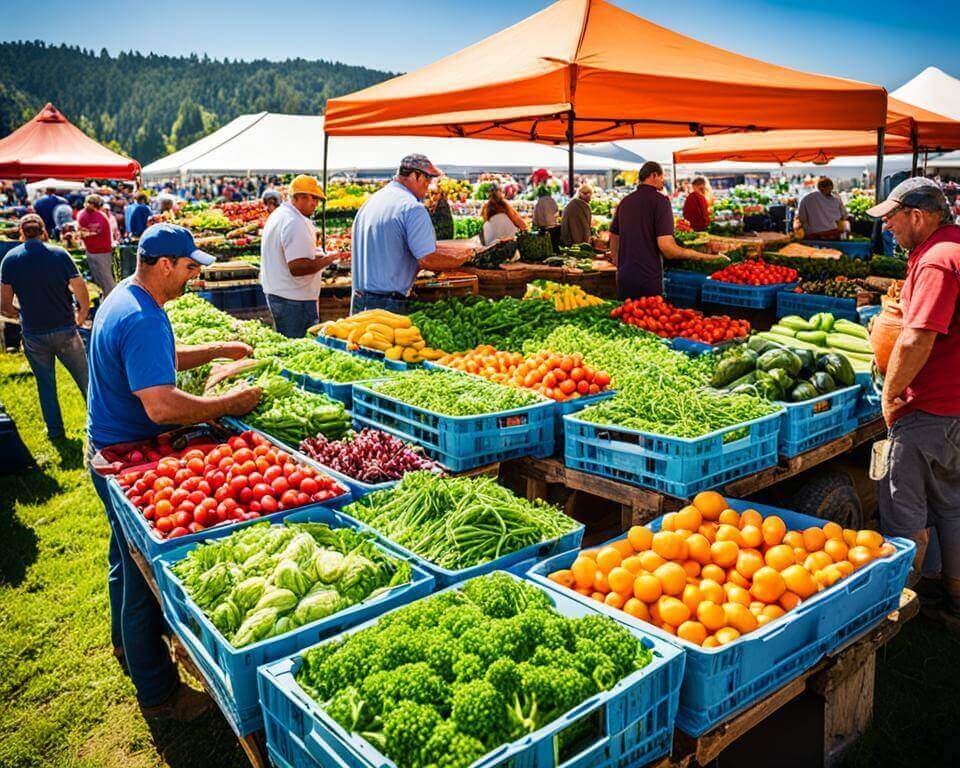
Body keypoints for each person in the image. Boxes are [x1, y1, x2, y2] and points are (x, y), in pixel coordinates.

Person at [86, 223, 262, 720]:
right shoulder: (142, 316)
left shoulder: (126, 294)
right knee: (145, 580)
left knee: (123, 558)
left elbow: (152, 363)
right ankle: (160, 693)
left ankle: (126, 647)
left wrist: (215, 351)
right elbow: (160, 404)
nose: (193, 277)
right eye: (188, 268)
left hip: (110, 446)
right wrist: (224, 402)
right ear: (165, 265)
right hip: (128, 454)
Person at [869, 178, 960, 619]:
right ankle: (948, 594)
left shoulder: (937, 262)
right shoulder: (952, 247)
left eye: (892, 217)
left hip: (927, 406)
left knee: (904, 510)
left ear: (918, 216)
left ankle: (901, 606)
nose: (887, 226)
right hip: (953, 406)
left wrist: (891, 396)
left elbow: (915, 341)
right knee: (950, 505)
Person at [0, 214, 90, 440]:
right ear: (44, 231)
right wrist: (82, 315)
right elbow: (81, 291)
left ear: (21, 232)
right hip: (65, 329)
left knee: (46, 385)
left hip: (34, 333)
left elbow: (4, 303)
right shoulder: (59, 254)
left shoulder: (10, 259)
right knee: (86, 380)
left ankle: (55, 432)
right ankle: (101, 423)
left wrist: (20, 314)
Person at [351, 154, 470, 314]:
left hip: (359, 300)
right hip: (387, 304)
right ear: (415, 175)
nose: (428, 186)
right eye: (427, 179)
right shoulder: (412, 207)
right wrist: (465, 261)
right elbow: (427, 258)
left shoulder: (372, 202)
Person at [609, 161, 718, 299]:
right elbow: (667, 248)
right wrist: (698, 255)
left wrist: (619, 263)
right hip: (647, 278)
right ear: (654, 175)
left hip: (624, 278)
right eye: (662, 177)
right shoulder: (660, 201)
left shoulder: (625, 202)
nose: (663, 181)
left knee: (625, 317)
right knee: (647, 318)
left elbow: (614, 237)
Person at [260, 175, 338, 338]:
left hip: (281, 294)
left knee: (288, 344)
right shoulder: (295, 221)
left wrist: (316, 254)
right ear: (300, 197)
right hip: (294, 300)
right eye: (313, 199)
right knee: (300, 348)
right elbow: (298, 268)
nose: (316, 204)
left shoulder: (280, 214)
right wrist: (329, 259)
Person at [77, 194, 117, 296]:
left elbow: (89, 232)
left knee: (106, 281)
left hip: (102, 251)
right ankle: (106, 301)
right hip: (93, 251)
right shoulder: (83, 215)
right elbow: (82, 232)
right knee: (100, 281)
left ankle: (112, 301)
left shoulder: (99, 216)